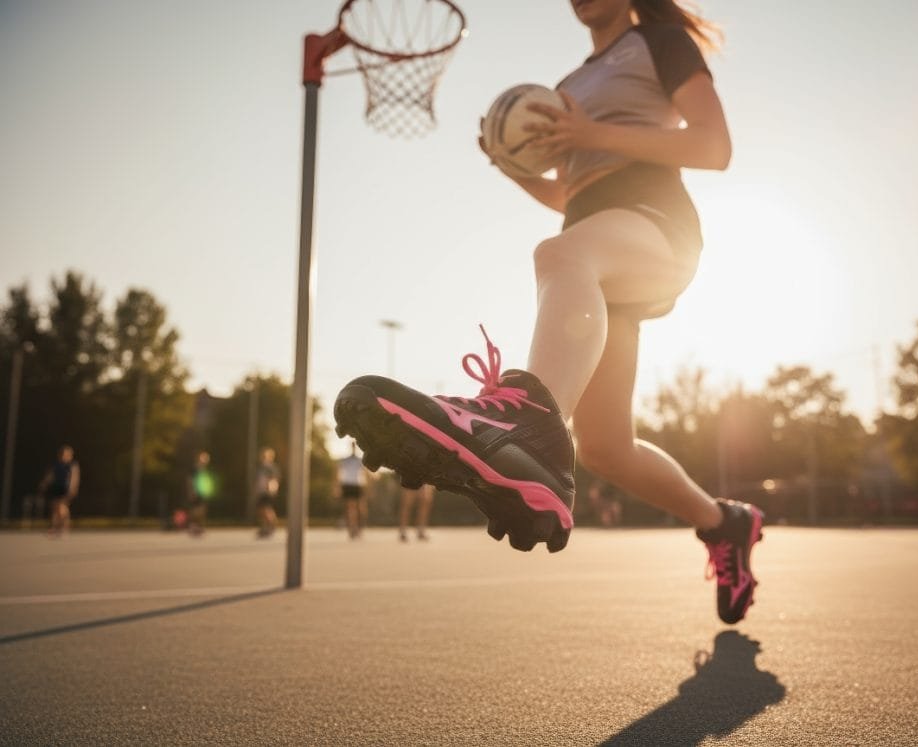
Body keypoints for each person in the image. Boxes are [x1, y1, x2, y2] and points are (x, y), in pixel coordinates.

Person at [334, 0, 763, 625]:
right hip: (598, 261)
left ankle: (530, 421)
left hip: (657, 228)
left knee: (558, 254)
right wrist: (510, 166)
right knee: (606, 450)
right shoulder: (565, 88)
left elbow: (712, 145)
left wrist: (592, 134)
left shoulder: (663, 43)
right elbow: (573, 191)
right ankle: (726, 523)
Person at [38, 445, 79, 537]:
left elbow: (74, 477)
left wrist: (73, 488)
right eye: (63, 454)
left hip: (65, 488)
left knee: (61, 507)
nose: (64, 456)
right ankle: (55, 527)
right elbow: (50, 475)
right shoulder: (56, 465)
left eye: (67, 454)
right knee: (54, 508)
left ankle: (63, 526)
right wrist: (44, 484)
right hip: (56, 488)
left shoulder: (72, 465)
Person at [334, 443, 368, 539]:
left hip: (358, 485)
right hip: (348, 485)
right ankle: (352, 529)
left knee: (361, 509)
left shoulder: (360, 460)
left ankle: (358, 528)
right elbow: (338, 473)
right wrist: (337, 487)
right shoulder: (345, 460)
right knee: (351, 508)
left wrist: (368, 487)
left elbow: (365, 474)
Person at [186, 451, 215, 536]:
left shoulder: (204, 469)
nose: (205, 461)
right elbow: (190, 480)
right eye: (203, 458)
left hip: (202, 492)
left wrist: (207, 491)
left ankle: (198, 526)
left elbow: (206, 481)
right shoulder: (194, 469)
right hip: (196, 491)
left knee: (202, 510)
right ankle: (193, 526)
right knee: (195, 510)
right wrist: (191, 491)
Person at [254, 447, 281, 538]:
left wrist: (272, 490)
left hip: (267, 491)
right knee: (262, 510)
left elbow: (274, 479)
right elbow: (258, 480)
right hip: (261, 491)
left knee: (266, 509)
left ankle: (271, 526)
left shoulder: (270, 467)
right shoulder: (261, 467)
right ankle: (265, 527)